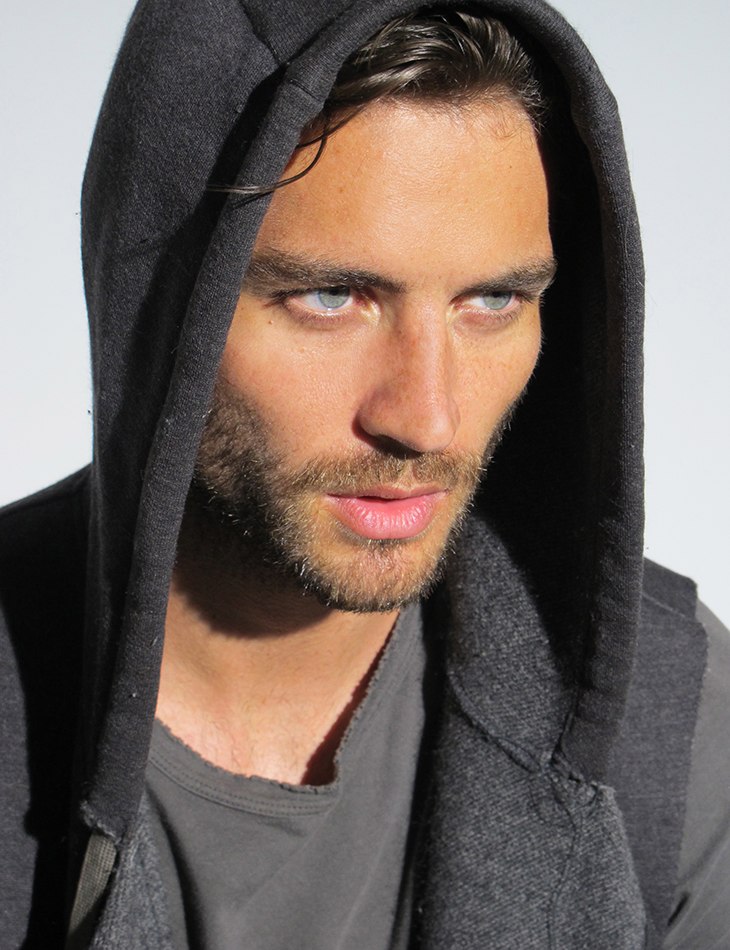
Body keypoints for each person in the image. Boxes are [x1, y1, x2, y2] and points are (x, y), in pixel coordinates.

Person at [1, 2, 728, 948]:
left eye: (493, 300)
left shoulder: (668, 709)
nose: (425, 418)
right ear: (162, 304)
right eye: (330, 296)